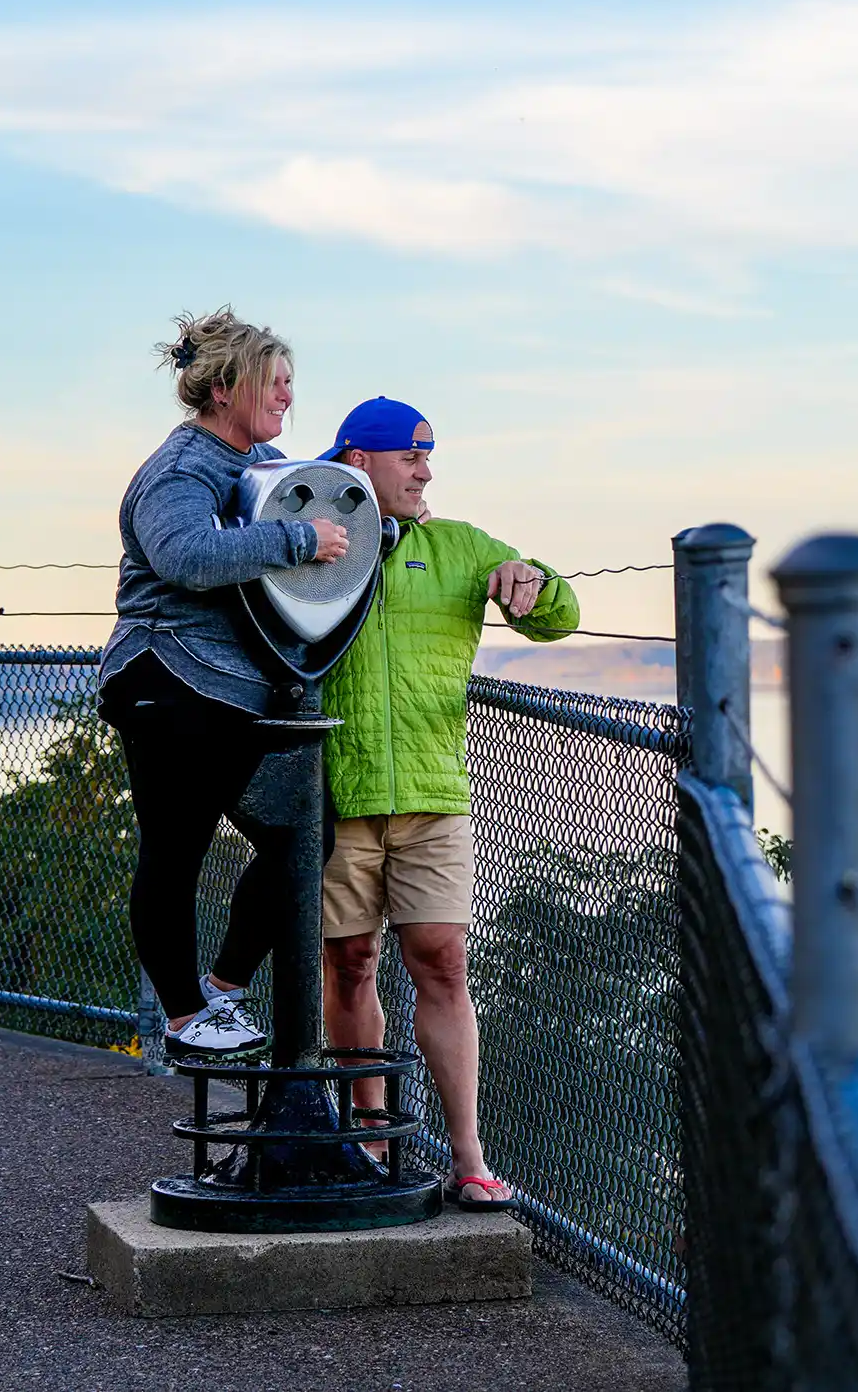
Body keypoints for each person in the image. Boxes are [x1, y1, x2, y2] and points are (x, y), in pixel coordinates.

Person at [315, 396, 578, 1211]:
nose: (426, 472)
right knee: (349, 961)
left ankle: (467, 1154)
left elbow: (561, 619)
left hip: (434, 795)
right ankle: (370, 1133)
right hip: (336, 794)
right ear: (359, 462)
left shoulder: (461, 547)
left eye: (430, 458)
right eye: (411, 457)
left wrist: (534, 580)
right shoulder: (316, 546)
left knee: (443, 960)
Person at [100, 308, 352, 1061]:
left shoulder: (257, 463)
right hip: (168, 681)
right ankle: (183, 1016)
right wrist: (298, 542)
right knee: (175, 850)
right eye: (273, 383)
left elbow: (318, 490)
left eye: (289, 385)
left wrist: (380, 514)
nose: (285, 397)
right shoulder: (181, 470)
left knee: (308, 837)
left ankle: (222, 985)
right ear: (225, 389)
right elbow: (186, 556)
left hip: (229, 692)